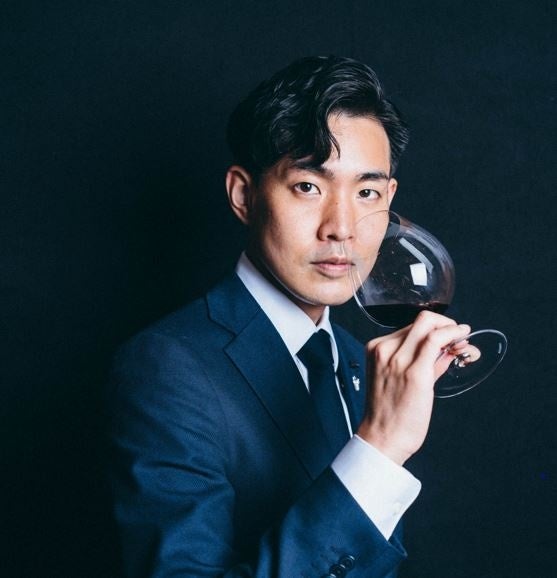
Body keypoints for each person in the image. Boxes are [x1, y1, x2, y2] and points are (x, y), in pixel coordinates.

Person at [107, 55, 470, 577]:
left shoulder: (356, 361)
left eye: (366, 192)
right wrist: (380, 448)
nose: (341, 227)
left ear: (389, 199)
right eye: (308, 187)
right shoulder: (165, 368)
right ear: (244, 195)